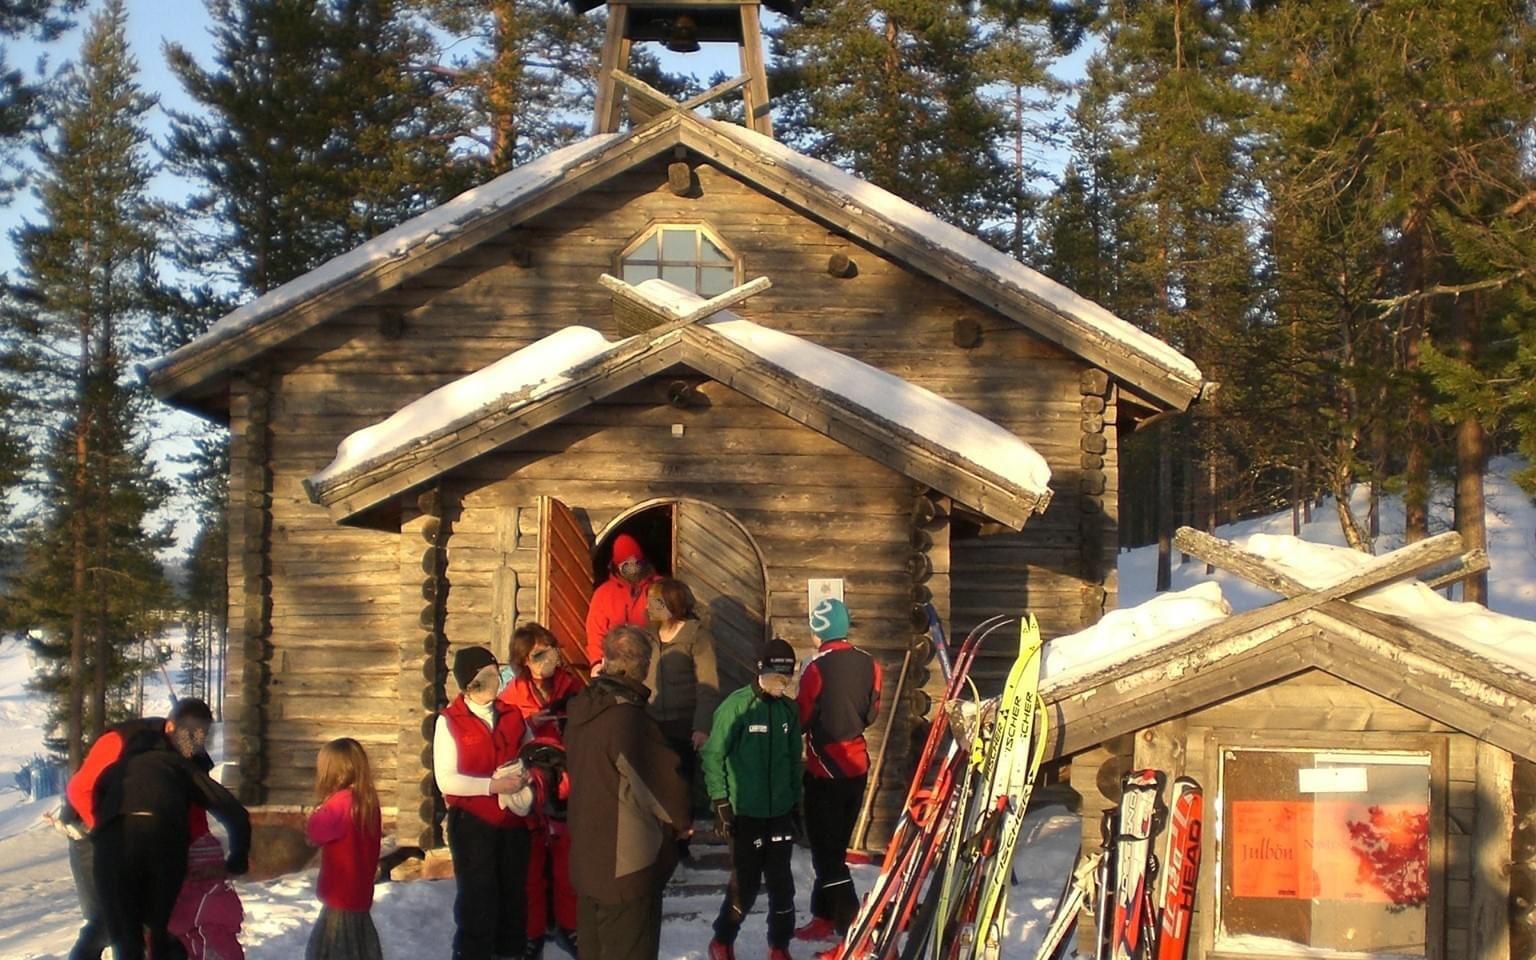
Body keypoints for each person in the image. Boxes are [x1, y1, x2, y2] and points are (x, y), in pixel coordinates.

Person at [566, 625, 692, 960]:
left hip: (589, 862)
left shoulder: (582, 710)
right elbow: (665, 788)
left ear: (606, 661)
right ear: (644, 666)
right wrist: (681, 821)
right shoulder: (627, 720)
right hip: (626, 868)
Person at [92, 699, 252, 960]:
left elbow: (97, 812)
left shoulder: (113, 771)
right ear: (169, 731)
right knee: (158, 932)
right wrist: (237, 859)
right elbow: (233, 812)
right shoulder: (180, 767)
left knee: (125, 938)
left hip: (114, 844)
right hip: (164, 841)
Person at [61, 710, 202, 960]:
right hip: (90, 829)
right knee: (107, 918)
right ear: (169, 728)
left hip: (145, 837)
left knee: (148, 919)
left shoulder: (189, 756)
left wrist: (197, 848)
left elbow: (193, 809)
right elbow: (79, 789)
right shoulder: (121, 740)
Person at [703, 638, 804, 960]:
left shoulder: (789, 710)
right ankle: (722, 939)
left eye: (787, 677)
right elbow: (713, 754)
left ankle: (779, 946)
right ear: (761, 670)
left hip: (779, 812)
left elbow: (793, 759)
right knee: (744, 886)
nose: (782, 683)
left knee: (782, 885)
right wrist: (720, 802)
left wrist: (795, 802)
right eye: (777, 676)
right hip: (745, 812)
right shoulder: (737, 706)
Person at [435, 645, 536, 960]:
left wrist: (528, 774)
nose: (495, 683)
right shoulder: (450, 721)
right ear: (469, 683)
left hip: (512, 822)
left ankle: (510, 953)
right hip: (472, 823)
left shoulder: (512, 715)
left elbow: (532, 754)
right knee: (478, 898)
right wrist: (492, 785)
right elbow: (447, 780)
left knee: (513, 896)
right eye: (486, 677)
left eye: (496, 675)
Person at [793, 598, 882, 943]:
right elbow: (872, 713)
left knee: (826, 855)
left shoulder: (817, 668)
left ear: (819, 629)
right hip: (857, 766)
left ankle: (852, 929)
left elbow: (803, 717)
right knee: (834, 847)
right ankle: (823, 916)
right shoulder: (870, 663)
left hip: (825, 770)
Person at [499, 623, 584, 958]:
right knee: (531, 868)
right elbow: (503, 741)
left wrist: (567, 721)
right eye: (538, 653)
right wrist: (528, 726)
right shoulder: (511, 696)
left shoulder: (571, 685)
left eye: (550, 649)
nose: (547, 658)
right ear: (524, 660)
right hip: (531, 788)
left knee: (567, 865)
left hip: (566, 784)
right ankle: (532, 932)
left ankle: (570, 926)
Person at [643, 578, 721, 860]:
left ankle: (680, 843)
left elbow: (708, 685)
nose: (650, 607)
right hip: (650, 722)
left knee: (679, 786)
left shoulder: (697, 637)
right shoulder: (647, 635)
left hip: (682, 724)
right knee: (652, 784)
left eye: (657, 601)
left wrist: (701, 726)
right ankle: (657, 842)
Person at [306, 738, 384, 960]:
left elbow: (315, 831)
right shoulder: (368, 801)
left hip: (340, 893)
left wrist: (319, 809)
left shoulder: (340, 803)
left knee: (332, 949)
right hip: (359, 891)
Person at [584, 533, 661, 670]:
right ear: (617, 565)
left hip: (653, 663)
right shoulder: (604, 594)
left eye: (638, 563)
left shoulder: (657, 588)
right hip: (616, 665)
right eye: (627, 566)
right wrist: (596, 662)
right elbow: (595, 632)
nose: (633, 569)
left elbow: (669, 625)